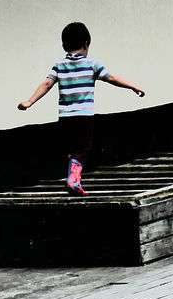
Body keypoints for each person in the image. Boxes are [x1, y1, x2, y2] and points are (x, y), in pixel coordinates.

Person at [17, 21, 146, 194]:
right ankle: (73, 181)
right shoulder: (92, 64)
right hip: (84, 116)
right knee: (84, 148)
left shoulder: (60, 65)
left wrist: (30, 101)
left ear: (64, 45)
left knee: (71, 147)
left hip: (64, 117)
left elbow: (47, 83)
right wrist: (133, 86)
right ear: (86, 44)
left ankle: (72, 172)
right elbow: (112, 78)